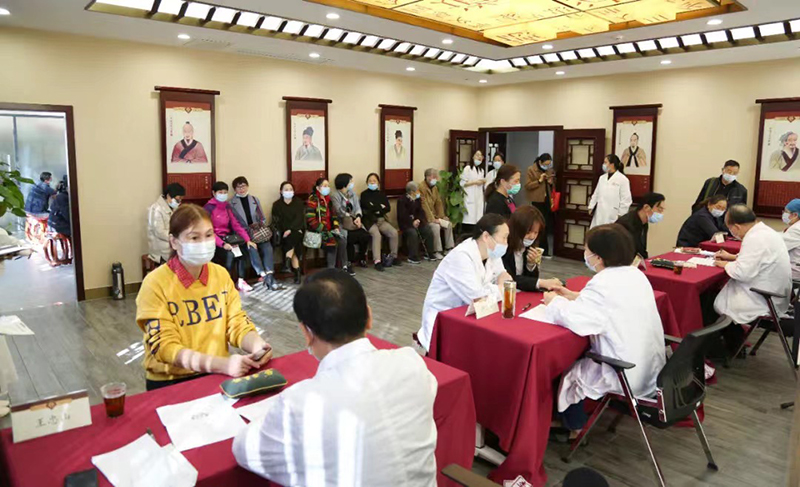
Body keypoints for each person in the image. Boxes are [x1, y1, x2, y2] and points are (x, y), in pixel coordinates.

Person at [233, 269, 437, 486]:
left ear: (306, 333)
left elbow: (244, 449)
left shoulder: (301, 403)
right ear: (369, 317)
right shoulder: (412, 363)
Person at [543, 224, 665, 437]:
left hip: (623, 371)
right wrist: (572, 295)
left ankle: (573, 427)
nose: (585, 254)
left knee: (572, 374)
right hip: (650, 368)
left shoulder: (603, 283)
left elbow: (577, 321)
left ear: (598, 257)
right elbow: (611, 305)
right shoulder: (635, 275)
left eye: (587, 250)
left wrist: (553, 301)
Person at [135, 204, 273, 391]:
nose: (204, 242)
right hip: (171, 380)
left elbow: (236, 322)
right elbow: (164, 347)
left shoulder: (220, 275)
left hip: (216, 374)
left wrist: (257, 345)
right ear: (174, 242)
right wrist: (222, 364)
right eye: (194, 237)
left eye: (209, 235)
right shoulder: (155, 283)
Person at [419, 214, 512, 351]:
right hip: (444, 320)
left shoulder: (492, 253)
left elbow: (504, 276)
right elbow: (477, 299)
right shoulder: (462, 256)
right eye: (504, 238)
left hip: (470, 316)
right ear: (486, 236)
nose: (506, 243)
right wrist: (500, 289)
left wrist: (498, 288)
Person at [714, 205, 792, 332]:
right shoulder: (765, 231)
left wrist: (726, 264)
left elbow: (741, 273)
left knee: (714, 297)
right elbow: (758, 258)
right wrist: (733, 257)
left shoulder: (754, 238)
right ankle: (731, 339)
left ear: (737, 227)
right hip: (774, 293)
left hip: (763, 299)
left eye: (730, 228)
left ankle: (729, 340)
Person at [229, 177, 283, 291]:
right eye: (238, 187)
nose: (242, 189)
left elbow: (262, 217)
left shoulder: (254, 199)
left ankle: (269, 275)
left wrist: (258, 227)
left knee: (267, 247)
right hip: (243, 234)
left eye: (243, 186)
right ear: (235, 189)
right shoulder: (231, 203)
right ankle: (265, 276)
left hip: (257, 232)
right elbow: (234, 224)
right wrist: (247, 235)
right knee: (252, 249)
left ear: (247, 186)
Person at [204, 181, 254, 291]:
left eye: (225, 192)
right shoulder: (209, 208)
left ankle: (241, 281)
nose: (223, 194)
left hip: (228, 238)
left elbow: (235, 224)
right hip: (215, 240)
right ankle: (225, 283)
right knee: (229, 255)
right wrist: (222, 244)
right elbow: (208, 231)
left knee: (241, 253)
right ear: (214, 193)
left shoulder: (227, 206)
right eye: (220, 192)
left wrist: (247, 239)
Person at [503, 206, 562, 292]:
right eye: (528, 232)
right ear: (517, 229)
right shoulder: (503, 248)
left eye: (536, 232)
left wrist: (531, 265)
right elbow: (509, 279)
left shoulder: (528, 248)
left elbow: (531, 281)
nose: (532, 237)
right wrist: (541, 282)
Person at [307, 178, 351, 275]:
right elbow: (311, 219)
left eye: (328, 186)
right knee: (332, 242)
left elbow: (334, 216)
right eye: (324, 186)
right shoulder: (313, 199)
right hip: (318, 230)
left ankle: (344, 266)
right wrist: (324, 229)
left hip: (330, 229)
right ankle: (331, 270)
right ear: (318, 188)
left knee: (342, 240)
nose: (327, 188)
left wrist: (336, 228)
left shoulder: (329, 200)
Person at [331, 173, 371, 269]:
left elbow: (357, 207)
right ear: (344, 183)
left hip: (354, 222)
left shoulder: (352, 194)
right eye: (350, 181)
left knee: (365, 236)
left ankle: (361, 258)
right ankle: (348, 262)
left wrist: (358, 217)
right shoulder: (335, 196)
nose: (352, 183)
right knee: (349, 238)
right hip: (342, 223)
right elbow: (338, 211)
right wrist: (349, 216)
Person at [361, 173, 400, 269]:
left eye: (374, 181)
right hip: (369, 221)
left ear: (378, 183)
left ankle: (393, 257)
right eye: (370, 181)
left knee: (394, 232)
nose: (372, 183)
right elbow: (367, 208)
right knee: (377, 235)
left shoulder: (381, 194)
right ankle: (377, 261)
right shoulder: (364, 195)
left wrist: (375, 207)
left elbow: (387, 208)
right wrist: (379, 207)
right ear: (367, 183)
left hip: (381, 220)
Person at [615, 192, 666, 259]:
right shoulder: (626, 224)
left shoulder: (644, 223)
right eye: (659, 209)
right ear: (646, 207)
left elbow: (641, 250)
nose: (661, 214)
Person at [271, 181, 305, 284]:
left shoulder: (299, 203)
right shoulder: (277, 205)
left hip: (297, 229)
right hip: (283, 232)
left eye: (291, 189)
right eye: (286, 189)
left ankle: (287, 262)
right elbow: (276, 221)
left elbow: (300, 219)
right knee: (293, 242)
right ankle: (297, 273)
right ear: (281, 191)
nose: (289, 191)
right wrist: (285, 230)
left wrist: (290, 230)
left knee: (292, 237)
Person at [419, 168, 454, 260]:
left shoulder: (434, 188)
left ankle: (449, 248)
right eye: (434, 177)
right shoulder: (421, 188)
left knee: (448, 224)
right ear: (427, 177)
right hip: (425, 218)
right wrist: (432, 219)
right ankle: (436, 251)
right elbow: (424, 205)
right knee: (435, 226)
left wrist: (442, 216)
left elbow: (438, 203)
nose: (436, 179)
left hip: (435, 216)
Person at [588, 155, 632, 229]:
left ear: (612, 164)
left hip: (613, 214)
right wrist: (591, 206)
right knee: (597, 232)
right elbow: (596, 194)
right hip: (600, 212)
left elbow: (626, 199)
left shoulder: (623, 179)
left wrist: (621, 214)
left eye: (605, 162)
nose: (603, 165)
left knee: (610, 233)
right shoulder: (602, 178)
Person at [525, 153, 556, 256]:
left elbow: (553, 185)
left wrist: (551, 182)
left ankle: (545, 250)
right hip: (537, 201)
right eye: (545, 164)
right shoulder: (531, 169)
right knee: (539, 225)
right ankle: (539, 249)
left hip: (547, 200)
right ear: (540, 162)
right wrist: (539, 181)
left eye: (548, 164)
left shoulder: (549, 170)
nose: (547, 166)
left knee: (547, 225)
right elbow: (528, 186)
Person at [147, 183, 185, 265]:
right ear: (168, 196)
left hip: (172, 243)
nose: (179, 202)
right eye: (177, 200)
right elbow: (159, 232)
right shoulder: (156, 209)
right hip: (161, 249)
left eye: (181, 200)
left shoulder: (173, 208)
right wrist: (176, 237)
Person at [397, 181, 435, 264]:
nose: (419, 192)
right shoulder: (402, 200)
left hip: (417, 222)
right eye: (417, 191)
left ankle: (429, 253)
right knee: (413, 233)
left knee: (428, 229)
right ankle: (412, 256)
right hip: (406, 224)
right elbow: (402, 216)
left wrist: (418, 220)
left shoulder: (417, 199)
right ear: (412, 192)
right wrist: (412, 222)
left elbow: (421, 212)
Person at [460, 150, 486, 228]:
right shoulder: (467, 168)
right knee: (469, 221)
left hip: (478, 198)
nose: (479, 157)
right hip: (469, 198)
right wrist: (475, 182)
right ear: (473, 157)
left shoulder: (481, 170)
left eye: (481, 155)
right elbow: (462, 183)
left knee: (477, 221)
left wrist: (483, 181)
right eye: (477, 155)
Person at [782, 199, 800, 280]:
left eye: (786, 212)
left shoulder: (796, 229)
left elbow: (778, 246)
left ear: (795, 215)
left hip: (794, 275)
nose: (783, 214)